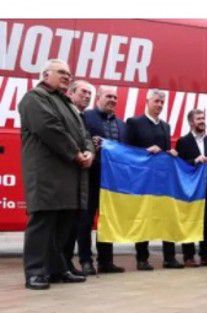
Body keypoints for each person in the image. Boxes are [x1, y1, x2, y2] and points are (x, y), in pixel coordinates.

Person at [19, 59, 92, 289]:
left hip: (69, 175)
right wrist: (76, 153)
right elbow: (49, 128)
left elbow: (84, 133)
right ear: (45, 74)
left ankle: (57, 269)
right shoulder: (34, 98)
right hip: (46, 175)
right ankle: (35, 272)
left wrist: (89, 151)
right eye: (61, 72)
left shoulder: (67, 103)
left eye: (69, 74)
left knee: (63, 225)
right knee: (42, 224)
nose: (66, 77)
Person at [125, 89, 183, 270]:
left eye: (162, 103)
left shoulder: (166, 126)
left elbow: (165, 152)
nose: (159, 105)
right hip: (142, 180)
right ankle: (142, 259)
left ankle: (170, 257)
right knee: (144, 217)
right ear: (147, 101)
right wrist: (145, 151)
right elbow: (127, 151)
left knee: (167, 216)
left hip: (162, 181)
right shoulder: (134, 122)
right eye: (156, 101)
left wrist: (171, 153)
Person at [77, 85, 127, 275]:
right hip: (90, 177)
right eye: (109, 96)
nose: (113, 100)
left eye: (115, 97)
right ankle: (85, 260)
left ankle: (106, 261)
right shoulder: (86, 117)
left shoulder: (122, 125)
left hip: (112, 182)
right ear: (98, 97)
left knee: (107, 221)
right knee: (85, 220)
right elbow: (80, 140)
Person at [176, 109, 207, 267]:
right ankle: (188, 256)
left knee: (206, 222)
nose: (202, 121)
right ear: (191, 122)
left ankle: (205, 255)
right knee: (189, 221)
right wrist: (194, 161)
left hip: (206, 188)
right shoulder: (183, 141)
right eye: (198, 118)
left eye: (203, 118)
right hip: (189, 189)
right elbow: (179, 165)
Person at [62, 80, 93, 276]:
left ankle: (66, 264)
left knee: (74, 223)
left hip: (81, 176)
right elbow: (61, 136)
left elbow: (87, 139)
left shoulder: (83, 117)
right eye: (83, 92)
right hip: (66, 175)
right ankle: (60, 265)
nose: (87, 96)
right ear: (71, 93)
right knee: (64, 225)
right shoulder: (66, 112)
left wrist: (90, 152)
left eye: (90, 93)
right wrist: (77, 154)